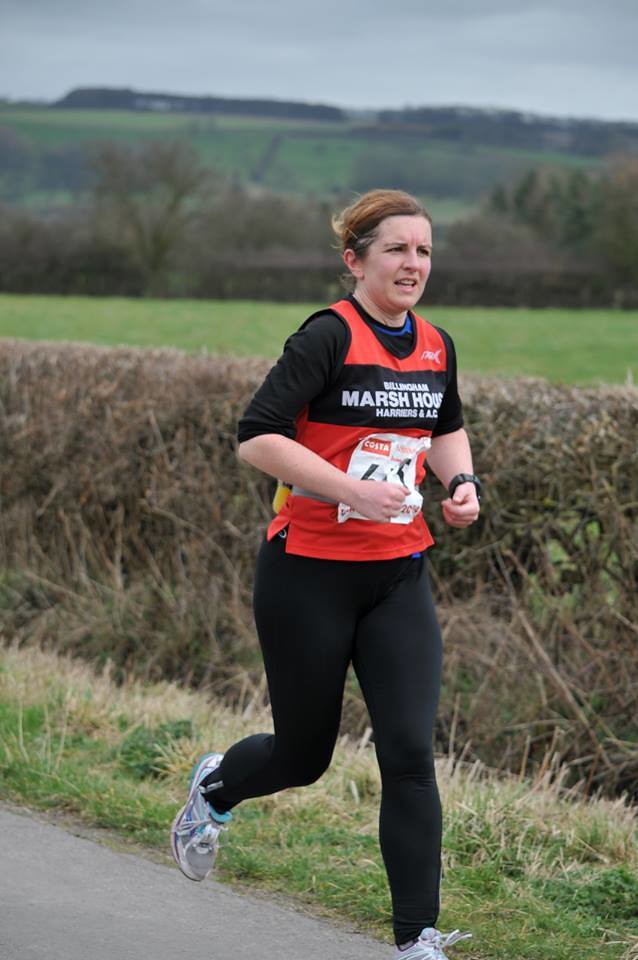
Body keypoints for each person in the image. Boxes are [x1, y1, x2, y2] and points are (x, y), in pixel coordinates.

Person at [171, 189, 480, 960]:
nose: (414, 264)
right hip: (307, 572)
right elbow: (257, 437)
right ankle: (215, 789)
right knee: (302, 757)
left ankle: (417, 940)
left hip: (398, 575)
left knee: (408, 755)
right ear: (355, 260)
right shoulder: (326, 338)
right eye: (397, 250)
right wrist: (350, 490)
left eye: (425, 250)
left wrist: (463, 483)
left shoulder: (437, 344)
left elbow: (442, 426)